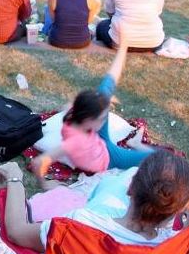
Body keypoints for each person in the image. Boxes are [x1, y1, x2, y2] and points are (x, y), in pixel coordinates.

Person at [1, 149, 189, 253]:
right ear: (179, 208)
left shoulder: (78, 225)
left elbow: (17, 231)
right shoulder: (172, 247)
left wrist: (14, 176)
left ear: (129, 188)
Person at [33, 45, 151, 185]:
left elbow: (74, 104)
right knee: (159, 158)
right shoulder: (75, 142)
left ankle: (123, 47)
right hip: (109, 158)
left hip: (97, 141)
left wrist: (123, 45)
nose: (106, 119)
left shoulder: (75, 112)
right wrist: (45, 184)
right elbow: (38, 162)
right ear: (89, 119)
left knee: (105, 89)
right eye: (102, 119)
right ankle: (135, 143)